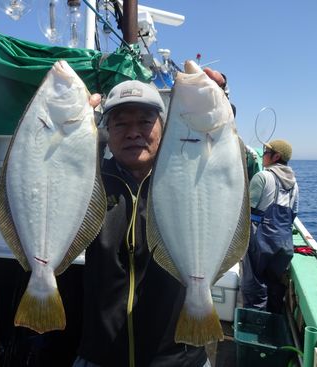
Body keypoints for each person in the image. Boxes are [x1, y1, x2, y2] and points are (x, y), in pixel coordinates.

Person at [73, 70, 229, 367]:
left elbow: (222, 166)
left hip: (180, 360)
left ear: (164, 126)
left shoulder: (185, 181)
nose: (133, 132)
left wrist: (218, 103)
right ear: (106, 131)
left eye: (145, 122)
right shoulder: (89, 185)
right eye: (121, 124)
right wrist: (76, 125)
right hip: (100, 356)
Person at [241, 140, 299, 313]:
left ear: (276, 156)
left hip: (260, 241)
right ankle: (271, 326)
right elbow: (293, 214)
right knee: (273, 287)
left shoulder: (263, 177)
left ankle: (255, 325)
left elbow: (246, 209)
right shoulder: (294, 184)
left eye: (267, 151)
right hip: (284, 243)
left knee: (253, 287)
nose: (263, 154)